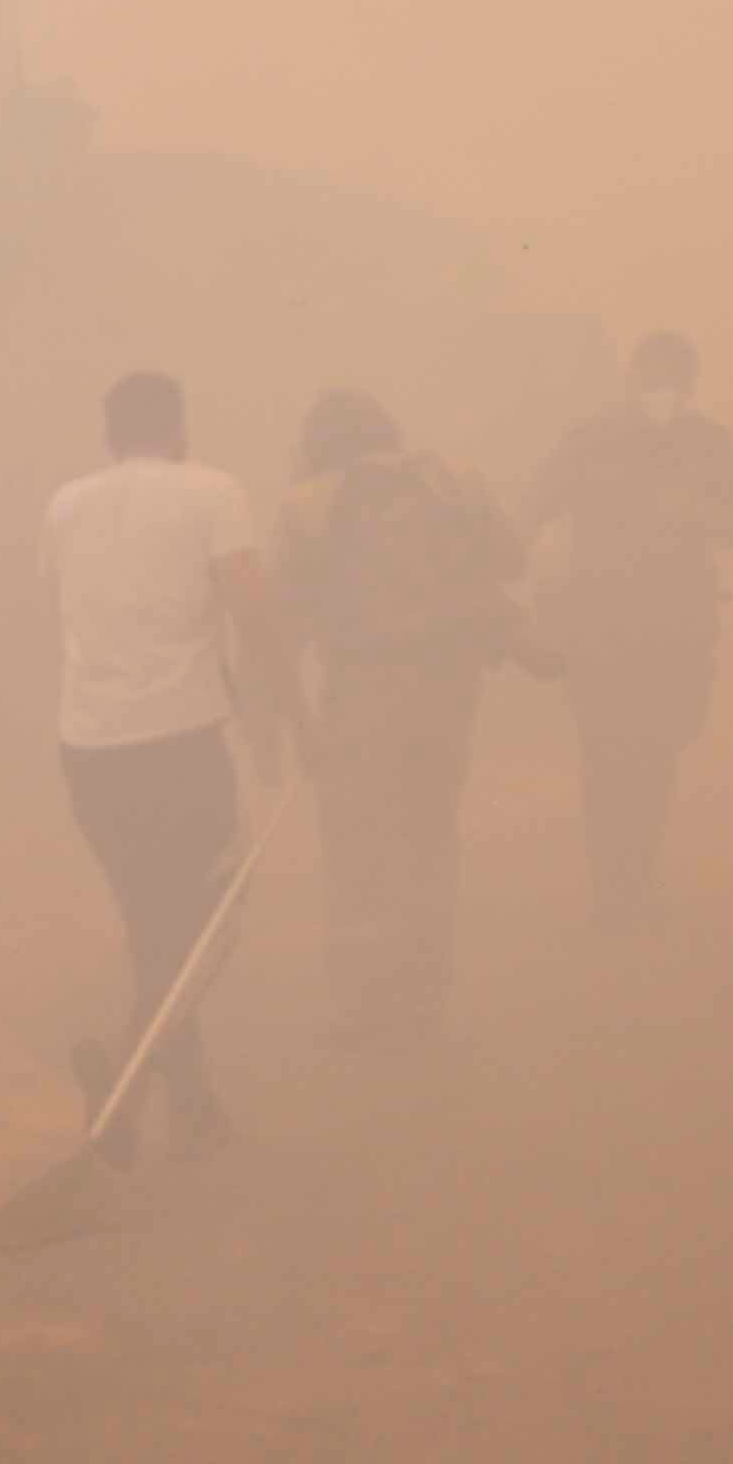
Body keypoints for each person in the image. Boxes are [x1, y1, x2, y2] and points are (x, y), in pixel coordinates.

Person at [37, 369, 280, 1145]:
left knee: (155, 927)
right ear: (179, 431)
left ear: (110, 436)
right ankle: (121, 1067)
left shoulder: (65, 506)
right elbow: (253, 610)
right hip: (180, 745)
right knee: (208, 922)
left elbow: (68, 606)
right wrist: (290, 724)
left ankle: (191, 1105)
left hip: (89, 752)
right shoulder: (212, 491)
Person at [274, 386, 527, 1047]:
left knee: (358, 849)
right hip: (447, 694)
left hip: (360, 696)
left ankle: (365, 1006)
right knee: (430, 836)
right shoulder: (451, 482)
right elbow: (511, 557)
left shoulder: (310, 504)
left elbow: (284, 620)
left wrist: (292, 722)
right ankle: (424, 996)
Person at [526, 329, 733, 929]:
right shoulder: (591, 442)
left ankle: (635, 880)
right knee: (606, 755)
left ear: (690, 387)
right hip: (601, 626)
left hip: (674, 629)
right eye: (653, 381)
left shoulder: (709, 446)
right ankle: (613, 890)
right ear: (632, 383)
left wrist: (695, 511)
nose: (663, 393)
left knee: (655, 753)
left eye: (674, 382)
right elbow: (535, 506)